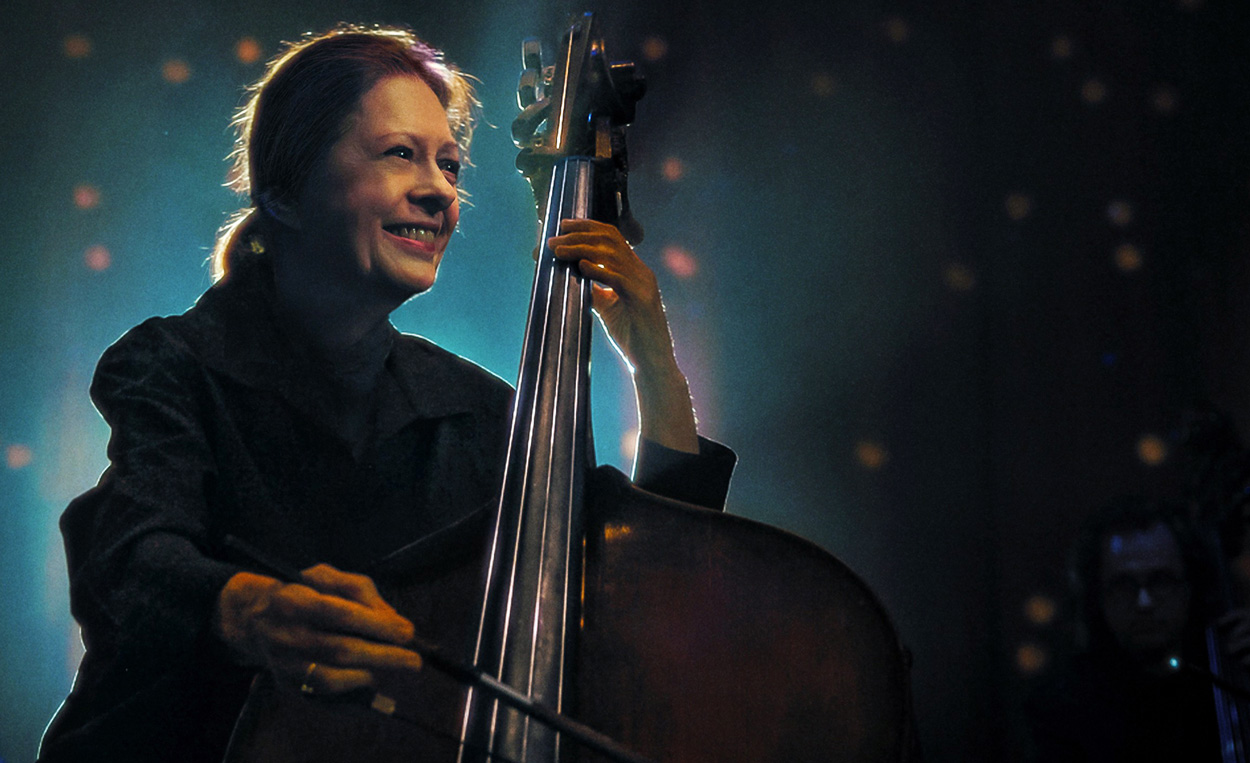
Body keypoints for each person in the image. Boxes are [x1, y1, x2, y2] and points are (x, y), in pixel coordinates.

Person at [38, 24, 734, 763]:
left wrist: (653, 362)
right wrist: (243, 608)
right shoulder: (172, 364)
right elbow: (129, 556)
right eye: (401, 153)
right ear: (285, 191)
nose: (439, 190)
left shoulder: (479, 412)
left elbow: (647, 582)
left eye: (450, 165)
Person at [1024, 495, 1250, 762]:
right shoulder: (1061, 706)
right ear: (1098, 596)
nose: (1144, 602)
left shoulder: (1223, 677)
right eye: (1124, 585)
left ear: (1189, 586)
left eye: (1161, 580)